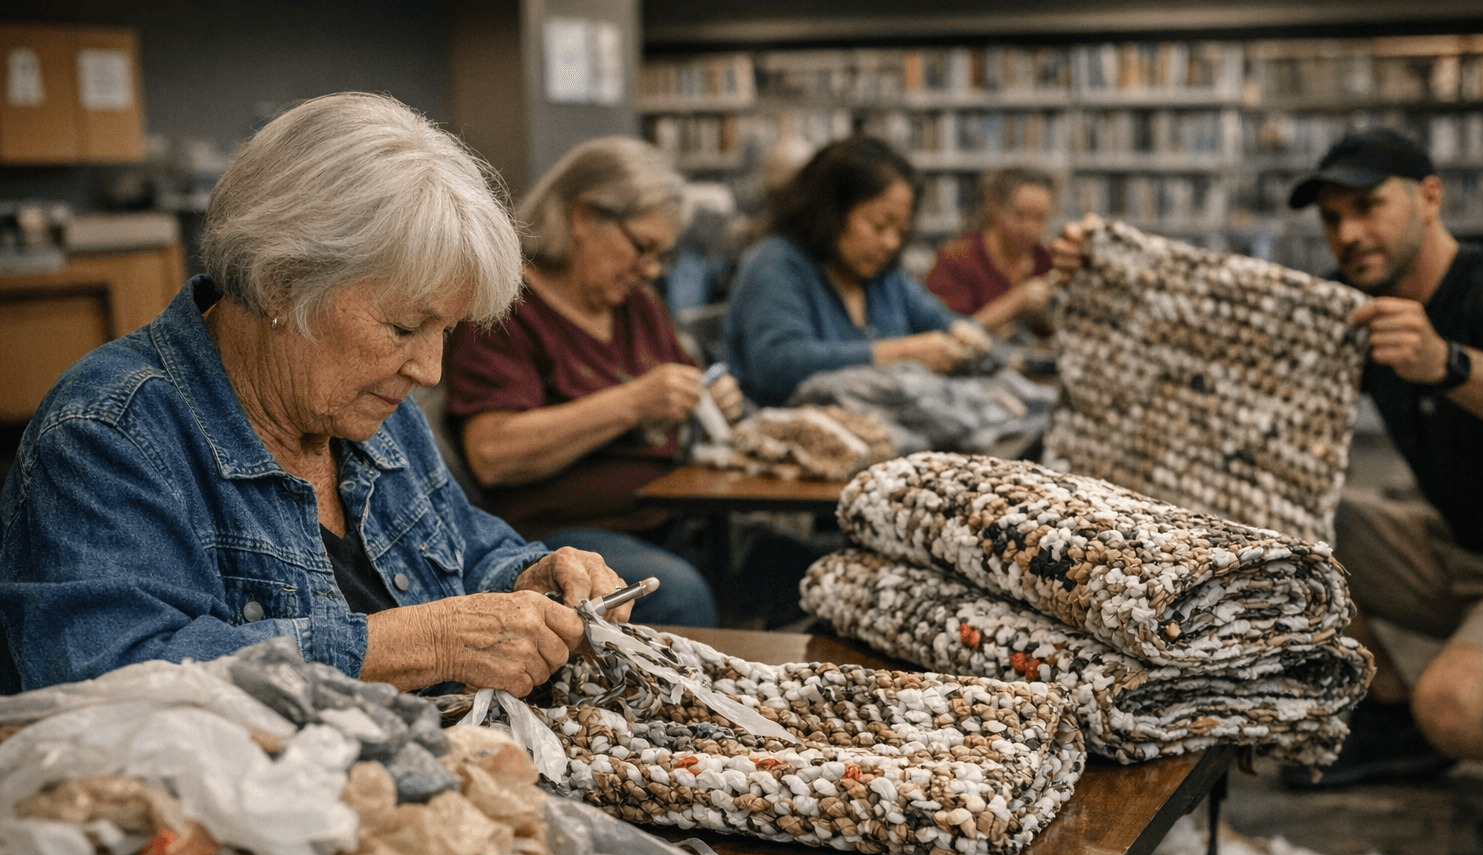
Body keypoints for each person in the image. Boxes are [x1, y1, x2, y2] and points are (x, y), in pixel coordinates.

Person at [0, 92, 628, 697]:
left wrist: (528, 577)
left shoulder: (370, 402)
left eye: (445, 331)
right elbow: (110, 684)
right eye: (404, 327)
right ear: (282, 282)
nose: (430, 370)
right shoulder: (106, 436)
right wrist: (420, 644)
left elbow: (463, 547)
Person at [1051, 127, 1483, 846]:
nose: (1349, 233)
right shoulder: (1355, 304)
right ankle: (1390, 712)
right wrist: (1104, 269)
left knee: (1458, 708)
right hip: (1454, 543)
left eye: (1368, 207)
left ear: (1430, 198)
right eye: (1333, 218)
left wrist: (1447, 363)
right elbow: (1214, 329)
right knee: (1277, 543)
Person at [446, 137, 742, 628]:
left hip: (667, 516)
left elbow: (684, 381)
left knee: (792, 567)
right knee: (681, 592)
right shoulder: (507, 307)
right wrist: (634, 402)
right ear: (582, 217)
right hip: (563, 535)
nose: (650, 270)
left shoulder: (636, 304)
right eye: (642, 248)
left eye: (661, 257)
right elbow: (493, 453)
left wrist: (710, 393)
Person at [720, 135, 987, 408]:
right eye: (879, 226)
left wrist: (961, 332)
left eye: (901, 231)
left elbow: (935, 318)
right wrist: (901, 352)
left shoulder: (882, 273)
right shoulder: (773, 264)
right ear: (831, 213)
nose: (892, 243)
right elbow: (778, 365)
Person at [925, 167, 1057, 339]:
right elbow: (944, 334)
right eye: (1019, 215)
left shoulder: (1046, 261)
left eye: (1040, 218)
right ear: (995, 208)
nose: (1029, 227)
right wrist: (1016, 300)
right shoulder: (957, 259)